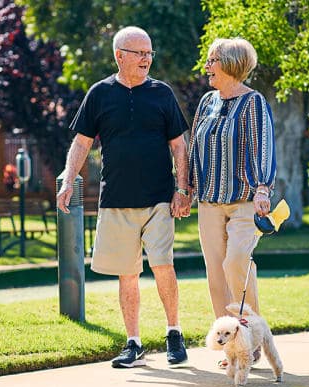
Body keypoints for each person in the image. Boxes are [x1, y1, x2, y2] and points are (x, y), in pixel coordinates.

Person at [57, 26, 192, 368]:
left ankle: (174, 333)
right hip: (116, 198)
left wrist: (182, 189)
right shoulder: (99, 93)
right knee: (127, 273)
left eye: (149, 53)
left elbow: (179, 145)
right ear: (120, 56)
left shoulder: (161, 93)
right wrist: (68, 180)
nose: (147, 59)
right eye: (140, 53)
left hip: (159, 198)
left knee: (163, 265)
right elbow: (82, 142)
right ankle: (133, 343)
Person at [187, 38, 277, 366]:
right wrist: (186, 187)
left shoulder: (253, 102)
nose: (207, 66)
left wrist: (263, 188)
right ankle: (232, 348)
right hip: (209, 201)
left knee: (236, 262)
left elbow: (263, 146)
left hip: (244, 200)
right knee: (215, 273)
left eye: (212, 60)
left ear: (231, 64)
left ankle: (251, 334)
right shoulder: (207, 102)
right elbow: (195, 146)